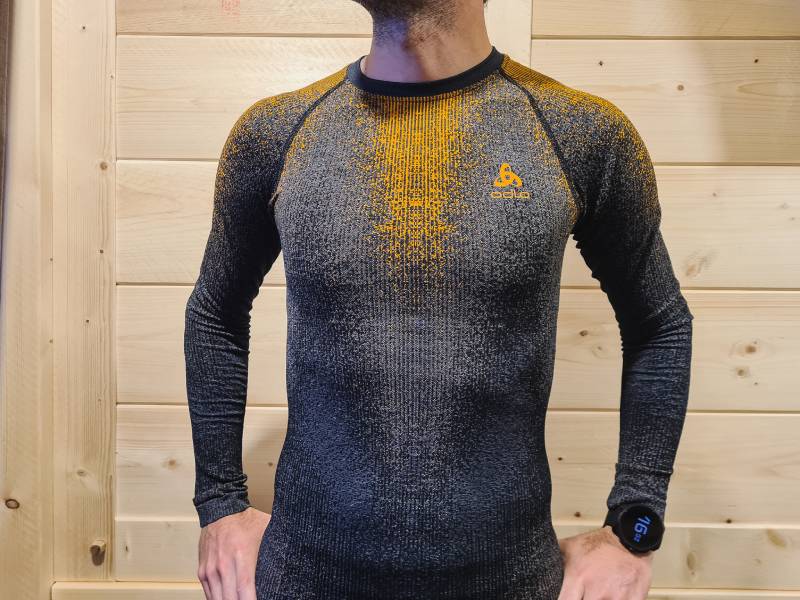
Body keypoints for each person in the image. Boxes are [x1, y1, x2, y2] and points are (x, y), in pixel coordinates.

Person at [183, 0, 694, 598]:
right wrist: (219, 503)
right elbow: (215, 314)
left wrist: (634, 526)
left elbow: (660, 324)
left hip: (511, 582)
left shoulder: (579, 132)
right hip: (302, 580)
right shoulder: (276, 133)